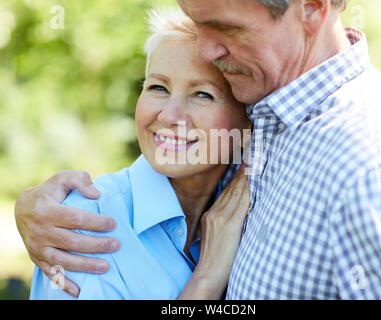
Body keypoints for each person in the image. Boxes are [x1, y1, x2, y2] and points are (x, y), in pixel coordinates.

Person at [16, 0, 381, 299]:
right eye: (157, 86)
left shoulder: (370, 168)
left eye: (227, 28)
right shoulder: (85, 227)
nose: (209, 48)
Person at [28, 7, 251, 299]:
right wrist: (207, 279)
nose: (170, 114)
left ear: (248, 121)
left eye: (202, 94)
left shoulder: (240, 213)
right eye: (158, 87)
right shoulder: (84, 224)